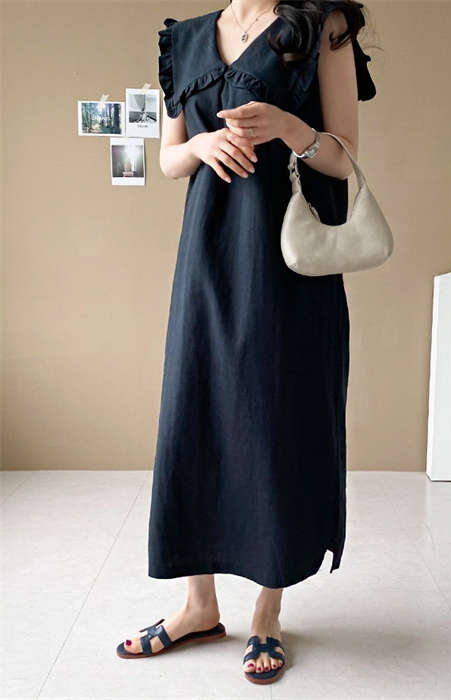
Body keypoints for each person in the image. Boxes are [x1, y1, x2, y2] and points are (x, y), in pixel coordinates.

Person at [114, 0, 377, 684]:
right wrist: (199, 147)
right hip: (207, 257)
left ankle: (267, 610)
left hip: (285, 267)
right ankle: (198, 606)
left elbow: (344, 158)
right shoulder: (185, 39)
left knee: (276, 421)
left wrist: (290, 127)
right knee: (194, 414)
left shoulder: (321, 27)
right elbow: (170, 158)